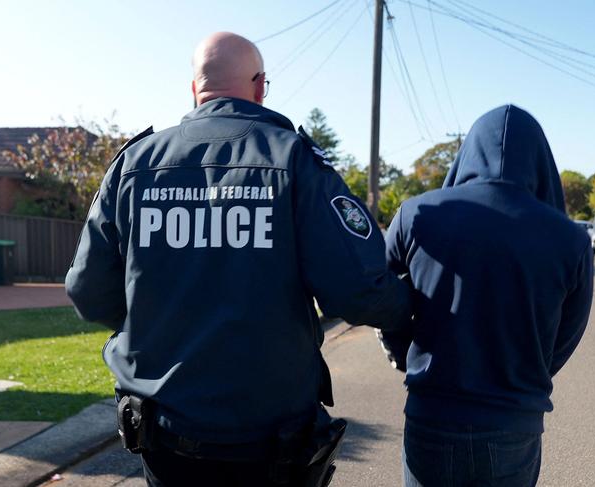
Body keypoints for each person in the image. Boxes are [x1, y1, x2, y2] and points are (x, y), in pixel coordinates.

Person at [65, 32, 412, 487]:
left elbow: (88, 293)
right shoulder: (296, 161)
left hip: (165, 433)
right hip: (269, 440)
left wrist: (154, 323)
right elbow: (361, 292)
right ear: (260, 85)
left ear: (195, 89)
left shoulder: (134, 165)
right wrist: (414, 304)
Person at [381, 105, 593, 487]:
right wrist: (526, 372)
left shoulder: (415, 214)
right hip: (514, 425)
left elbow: (379, 294)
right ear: (541, 161)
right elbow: (568, 332)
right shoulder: (571, 239)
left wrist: (402, 354)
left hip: (432, 414)